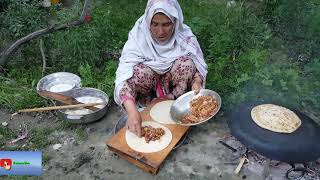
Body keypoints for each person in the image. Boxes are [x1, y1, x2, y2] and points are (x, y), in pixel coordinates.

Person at [114, 0, 208, 137]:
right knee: (138, 72)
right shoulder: (138, 37)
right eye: (154, 24)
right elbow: (123, 74)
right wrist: (132, 111)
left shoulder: (184, 36)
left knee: (186, 64)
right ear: (148, 22)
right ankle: (145, 105)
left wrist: (197, 82)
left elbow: (199, 64)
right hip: (147, 89)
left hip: (175, 89)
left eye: (166, 24)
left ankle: (172, 101)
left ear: (175, 22)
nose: (160, 31)